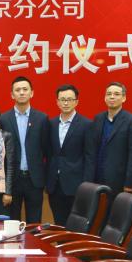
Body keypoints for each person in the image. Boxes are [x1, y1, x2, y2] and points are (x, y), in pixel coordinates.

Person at [0, 77, 49, 222]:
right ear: (12, 94)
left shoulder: (42, 118)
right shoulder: (3, 119)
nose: (21, 93)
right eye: (18, 90)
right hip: (12, 180)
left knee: (34, 222)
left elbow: (47, 150)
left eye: (25, 89)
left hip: (34, 180)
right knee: (12, 222)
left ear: (31, 93)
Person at [46, 84, 93, 226]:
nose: (66, 103)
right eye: (62, 99)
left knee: (76, 226)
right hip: (55, 184)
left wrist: (86, 185)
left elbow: (90, 156)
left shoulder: (86, 124)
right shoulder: (51, 123)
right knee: (59, 223)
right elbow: (48, 153)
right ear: (57, 102)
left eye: (69, 99)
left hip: (76, 185)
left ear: (76, 102)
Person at [89, 82, 132, 196]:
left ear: (124, 98)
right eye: (109, 94)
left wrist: (130, 183)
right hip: (96, 178)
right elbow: (92, 149)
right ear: (105, 97)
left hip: (119, 180)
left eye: (116, 94)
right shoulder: (98, 118)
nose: (112, 97)